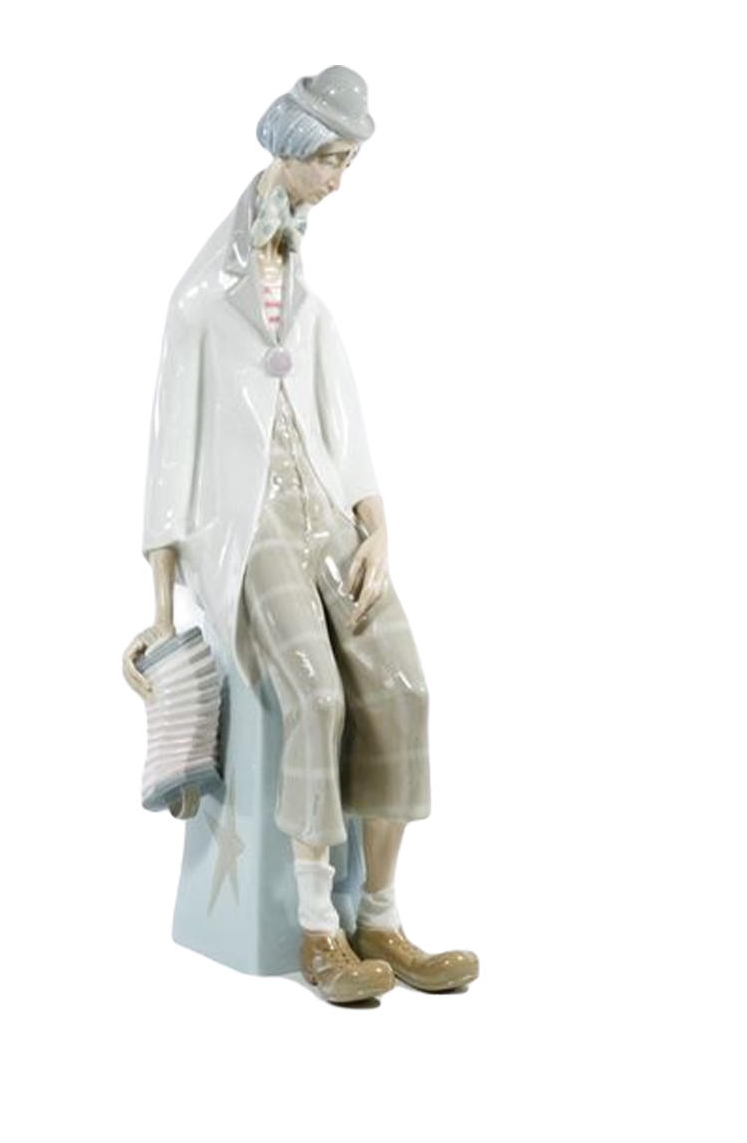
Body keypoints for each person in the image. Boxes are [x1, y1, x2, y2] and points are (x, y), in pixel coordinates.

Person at [123, 66, 478, 1004]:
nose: (338, 178)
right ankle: (319, 928)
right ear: (287, 153)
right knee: (314, 695)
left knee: (401, 684)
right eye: (330, 159)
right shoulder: (198, 308)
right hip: (246, 530)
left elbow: (347, 433)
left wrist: (377, 529)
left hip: (323, 514)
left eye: (348, 161)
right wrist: (160, 610)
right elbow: (169, 454)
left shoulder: (313, 311)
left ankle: (381, 915)